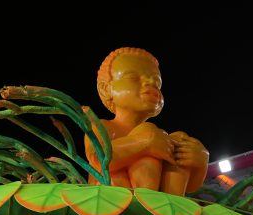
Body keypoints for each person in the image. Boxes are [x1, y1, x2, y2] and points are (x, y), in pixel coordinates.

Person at [87, 48, 208, 196]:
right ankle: (146, 203)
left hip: (162, 207)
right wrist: (144, 142)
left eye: (157, 83)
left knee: (179, 139)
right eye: (133, 78)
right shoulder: (102, 126)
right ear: (106, 89)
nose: (151, 83)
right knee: (147, 133)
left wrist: (199, 163)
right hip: (114, 199)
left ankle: (168, 209)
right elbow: (98, 160)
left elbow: (191, 186)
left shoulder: (162, 139)